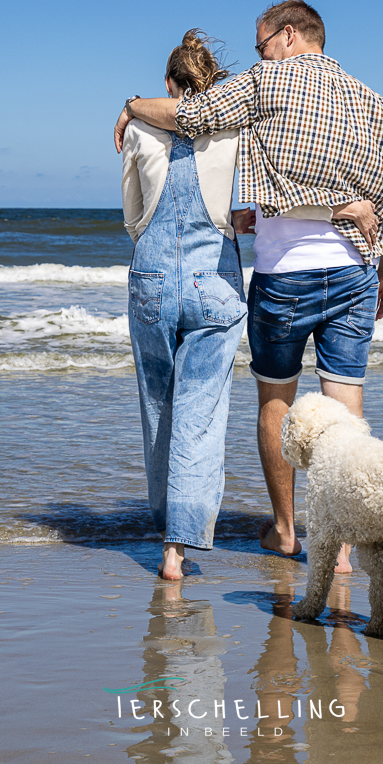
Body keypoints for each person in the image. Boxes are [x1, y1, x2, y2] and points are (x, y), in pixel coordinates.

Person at [114, 0, 383, 574]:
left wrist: (131, 105)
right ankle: (345, 549)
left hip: (283, 276)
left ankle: (284, 531)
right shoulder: (380, 103)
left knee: (275, 402)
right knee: (345, 414)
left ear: (287, 36)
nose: (259, 55)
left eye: (260, 45)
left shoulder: (266, 83)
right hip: (354, 270)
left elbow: (193, 116)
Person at [120, 30, 247, 581]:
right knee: (202, 414)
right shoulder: (234, 128)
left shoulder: (141, 128)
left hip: (150, 276)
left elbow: (132, 215)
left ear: (168, 85)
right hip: (213, 280)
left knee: (159, 405)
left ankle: (163, 524)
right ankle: (180, 543)